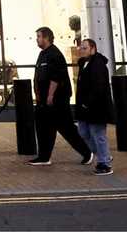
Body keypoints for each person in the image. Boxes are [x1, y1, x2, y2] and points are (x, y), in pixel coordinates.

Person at [29, 26, 92, 167]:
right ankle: (44, 157)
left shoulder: (54, 54)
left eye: (39, 37)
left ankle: (87, 152)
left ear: (46, 38)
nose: (37, 39)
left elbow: (55, 77)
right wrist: (38, 95)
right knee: (43, 127)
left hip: (57, 100)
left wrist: (50, 95)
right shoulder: (42, 54)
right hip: (43, 101)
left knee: (66, 127)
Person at [75, 37, 115, 176]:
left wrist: (87, 103)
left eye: (85, 48)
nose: (81, 50)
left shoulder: (98, 64)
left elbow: (99, 87)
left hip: (97, 107)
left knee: (98, 134)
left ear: (93, 49)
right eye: (81, 47)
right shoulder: (84, 63)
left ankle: (104, 163)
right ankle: (105, 155)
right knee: (83, 132)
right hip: (84, 108)